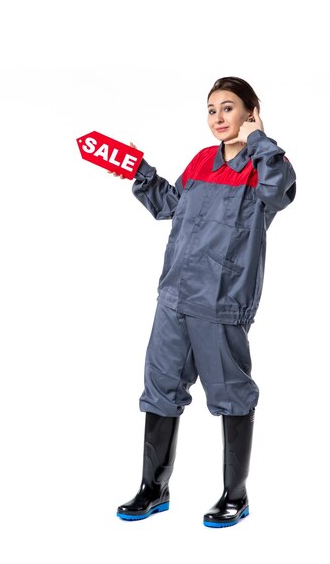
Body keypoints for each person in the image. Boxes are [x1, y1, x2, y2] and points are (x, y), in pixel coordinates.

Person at [115, 77, 296, 527]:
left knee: (231, 395)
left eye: (229, 108)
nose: (218, 118)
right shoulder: (200, 161)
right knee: (160, 388)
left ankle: (235, 495)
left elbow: (279, 193)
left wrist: (259, 140)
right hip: (174, 295)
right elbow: (169, 206)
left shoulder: (265, 165)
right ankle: (153, 488)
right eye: (211, 109)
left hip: (221, 301)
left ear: (251, 112)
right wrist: (140, 171)